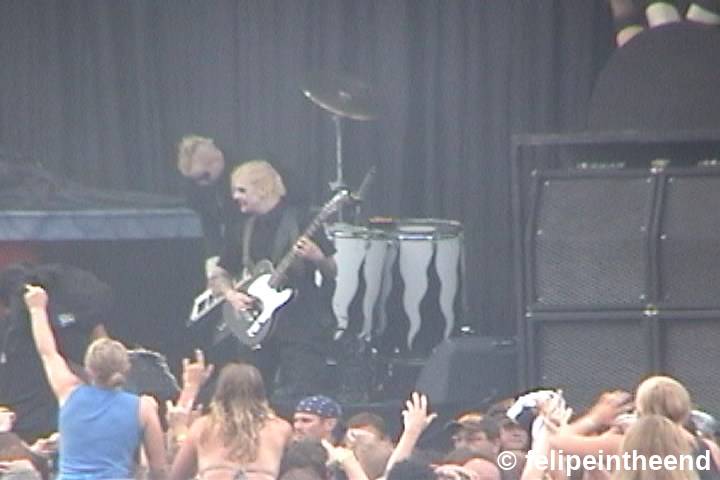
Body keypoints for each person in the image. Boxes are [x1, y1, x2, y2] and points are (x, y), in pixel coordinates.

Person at [207, 159, 337, 400]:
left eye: (241, 190)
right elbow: (220, 273)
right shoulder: (241, 229)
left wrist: (317, 257)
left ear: (263, 189)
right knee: (251, 396)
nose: (235, 197)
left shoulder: (303, 221)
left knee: (302, 396)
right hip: (256, 327)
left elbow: (332, 271)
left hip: (300, 326)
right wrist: (231, 295)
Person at [23, 285, 166, 479]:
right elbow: (159, 470)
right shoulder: (143, 408)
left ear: (88, 369)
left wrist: (37, 309)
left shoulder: (69, 392)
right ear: (127, 369)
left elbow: (48, 352)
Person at [0, 263, 110, 443]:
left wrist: (37, 310)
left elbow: (49, 353)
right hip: (24, 431)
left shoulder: (68, 379)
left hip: (54, 429)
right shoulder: (136, 408)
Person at [169, 362, 292, 480]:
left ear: (220, 393)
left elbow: (177, 476)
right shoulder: (281, 429)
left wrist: (180, 433)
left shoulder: (203, 427)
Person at [176, 135, 236, 275]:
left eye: (204, 177)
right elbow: (208, 223)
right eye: (194, 180)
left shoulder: (241, 172)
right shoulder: (195, 189)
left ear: (217, 161)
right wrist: (213, 260)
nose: (201, 184)